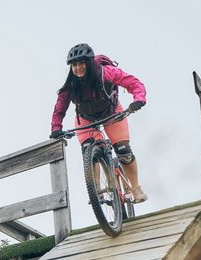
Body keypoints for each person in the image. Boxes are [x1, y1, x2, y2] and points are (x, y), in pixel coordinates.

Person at [50, 43, 148, 203]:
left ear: (89, 62)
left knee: (123, 151)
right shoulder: (71, 84)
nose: (78, 68)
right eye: (74, 65)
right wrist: (56, 128)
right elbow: (59, 108)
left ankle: (136, 188)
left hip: (112, 114)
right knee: (89, 149)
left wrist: (139, 99)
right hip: (85, 118)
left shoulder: (105, 73)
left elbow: (133, 83)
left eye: (81, 63)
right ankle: (96, 192)